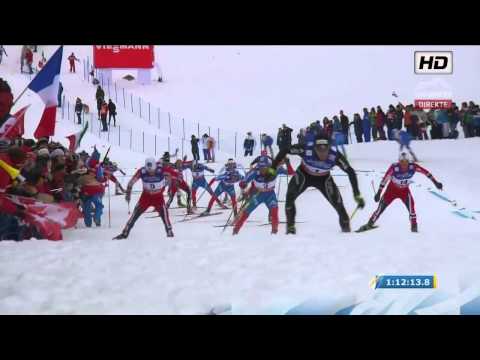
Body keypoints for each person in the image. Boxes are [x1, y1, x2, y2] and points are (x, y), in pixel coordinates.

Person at [272, 133, 365, 234]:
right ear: (314, 147)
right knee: (290, 198)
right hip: (304, 174)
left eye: (325, 150)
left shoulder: (335, 155)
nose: (322, 153)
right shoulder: (306, 149)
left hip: (324, 179)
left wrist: (357, 193)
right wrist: (272, 168)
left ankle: (346, 233)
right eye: (319, 150)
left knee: (340, 207)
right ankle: (290, 229)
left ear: (329, 147)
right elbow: (285, 150)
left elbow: (350, 171)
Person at [357, 152, 443, 233]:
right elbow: (385, 179)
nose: (404, 164)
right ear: (399, 162)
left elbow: (426, 173)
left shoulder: (413, 167)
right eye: (402, 162)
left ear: (409, 162)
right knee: (380, 208)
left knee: (412, 208)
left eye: (406, 162)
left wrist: (436, 183)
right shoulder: (394, 167)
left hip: (404, 191)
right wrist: (379, 192)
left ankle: (414, 226)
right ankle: (370, 223)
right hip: (391, 191)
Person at [113, 157, 179, 239]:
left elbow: (176, 175)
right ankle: (125, 233)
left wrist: (176, 180)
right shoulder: (142, 171)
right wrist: (128, 193)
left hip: (158, 197)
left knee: (165, 215)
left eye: (152, 170)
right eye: (149, 171)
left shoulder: (161, 170)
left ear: (155, 166)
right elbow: (131, 182)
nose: (151, 173)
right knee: (134, 215)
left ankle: (169, 233)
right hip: (145, 197)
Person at [233, 156, 289, 235]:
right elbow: (243, 181)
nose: (262, 170)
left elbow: (290, 172)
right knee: (246, 212)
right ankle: (235, 230)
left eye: (264, 168)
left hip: (270, 194)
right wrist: (243, 184)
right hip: (257, 194)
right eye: (260, 167)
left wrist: (288, 163)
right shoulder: (255, 172)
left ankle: (274, 233)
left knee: (274, 212)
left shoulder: (273, 170)